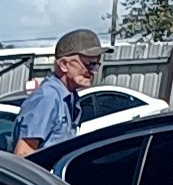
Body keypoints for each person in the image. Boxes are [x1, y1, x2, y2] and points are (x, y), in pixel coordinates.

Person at [14, 29, 108, 158]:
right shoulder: (47, 98)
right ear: (64, 65)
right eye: (89, 65)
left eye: (96, 65)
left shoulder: (69, 97)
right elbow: (23, 153)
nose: (93, 71)